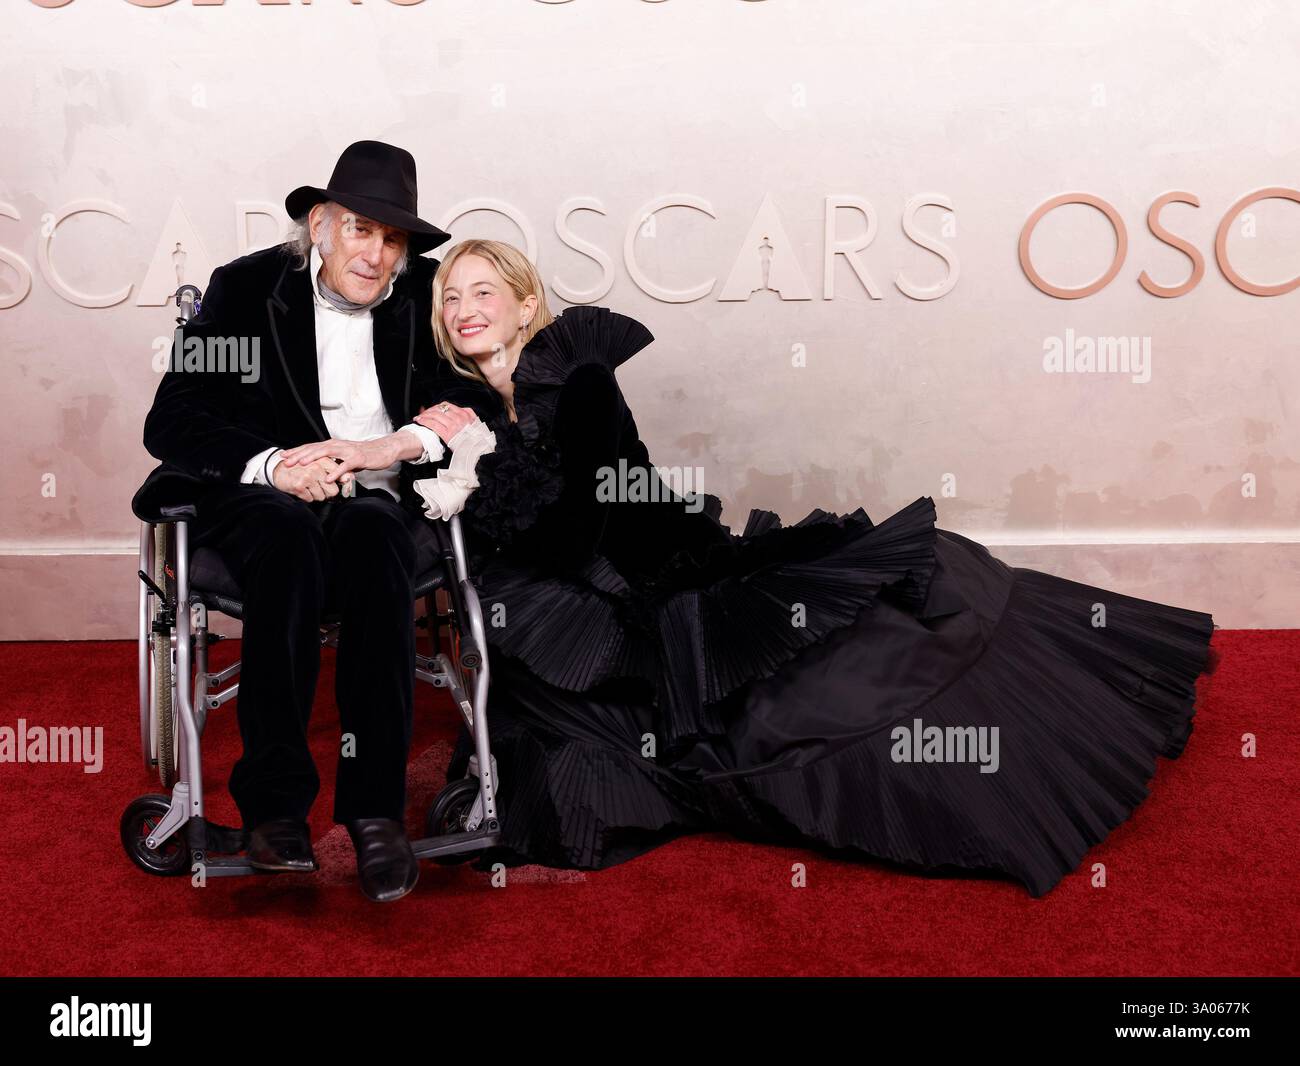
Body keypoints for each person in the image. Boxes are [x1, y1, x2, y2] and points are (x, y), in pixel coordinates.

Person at [410, 238, 1219, 898]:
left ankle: (1044, 754)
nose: (464, 309)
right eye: (450, 297)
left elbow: (570, 529)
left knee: (827, 676)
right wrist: (464, 447)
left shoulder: (577, 376)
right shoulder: (475, 413)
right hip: (598, 604)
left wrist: (477, 464)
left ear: (524, 305)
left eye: (483, 292)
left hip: (658, 580)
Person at [138, 140, 476, 903]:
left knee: (377, 539)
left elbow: (477, 404)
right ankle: (276, 811)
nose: (376, 253)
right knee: (288, 541)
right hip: (265, 492)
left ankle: (375, 814)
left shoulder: (428, 295)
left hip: (374, 494)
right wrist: (275, 465)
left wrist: (398, 444)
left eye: (392, 239)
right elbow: (176, 417)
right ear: (320, 225)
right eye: (361, 229)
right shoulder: (249, 289)